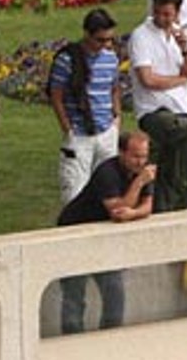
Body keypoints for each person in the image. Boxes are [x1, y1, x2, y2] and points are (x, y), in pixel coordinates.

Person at [55, 130, 154, 334]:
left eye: (144, 156)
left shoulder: (143, 173)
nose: (140, 162)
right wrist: (139, 183)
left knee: (114, 291)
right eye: (136, 156)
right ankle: (72, 342)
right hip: (76, 232)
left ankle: (110, 339)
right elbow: (117, 211)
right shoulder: (107, 172)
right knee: (74, 294)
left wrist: (132, 213)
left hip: (103, 238)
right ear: (121, 153)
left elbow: (147, 207)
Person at [128, 0, 187, 211]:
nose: (163, 18)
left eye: (168, 14)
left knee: (173, 164)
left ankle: (167, 203)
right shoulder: (141, 36)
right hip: (154, 111)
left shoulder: (183, 37)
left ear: (177, 12)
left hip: (182, 111)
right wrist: (181, 78)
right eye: (159, 12)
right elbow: (148, 79)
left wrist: (185, 50)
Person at [46, 8, 122, 204]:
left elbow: (114, 88)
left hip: (106, 131)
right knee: (74, 194)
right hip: (79, 134)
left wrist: (117, 118)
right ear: (87, 34)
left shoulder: (110, 58)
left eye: (109, 40)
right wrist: (67, 127)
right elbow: (56, 95)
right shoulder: (67, 60)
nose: (105, 45)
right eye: (100, 40)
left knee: (108, 192)